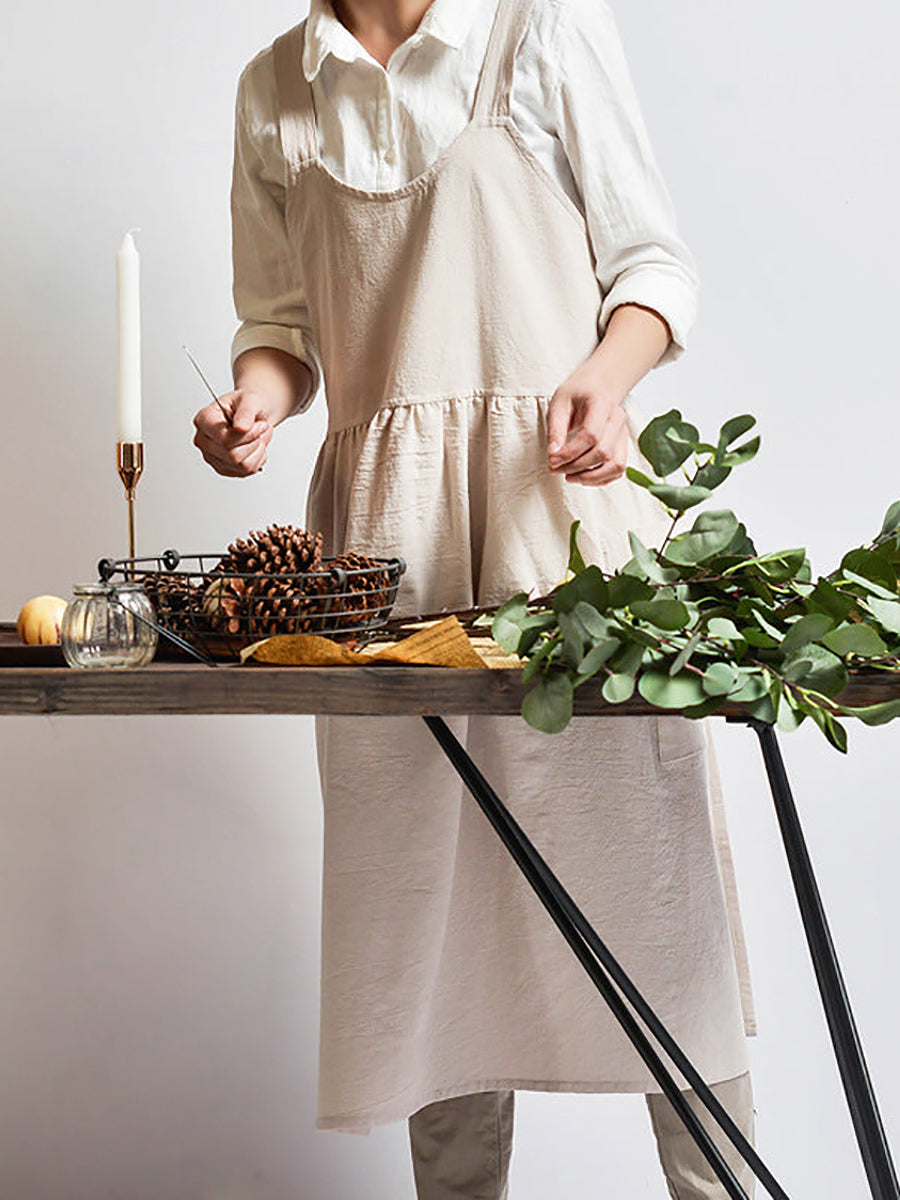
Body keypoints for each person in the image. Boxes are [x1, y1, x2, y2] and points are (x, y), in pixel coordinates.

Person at [193, 0, 759, 1195]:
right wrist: (257, 398)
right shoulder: (275, 88)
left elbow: (651, 263)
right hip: (379, 565)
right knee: (426, 919)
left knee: (651, 912)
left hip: (559, 534)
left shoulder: (541, 23)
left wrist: (606, 382)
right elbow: (282, 323)